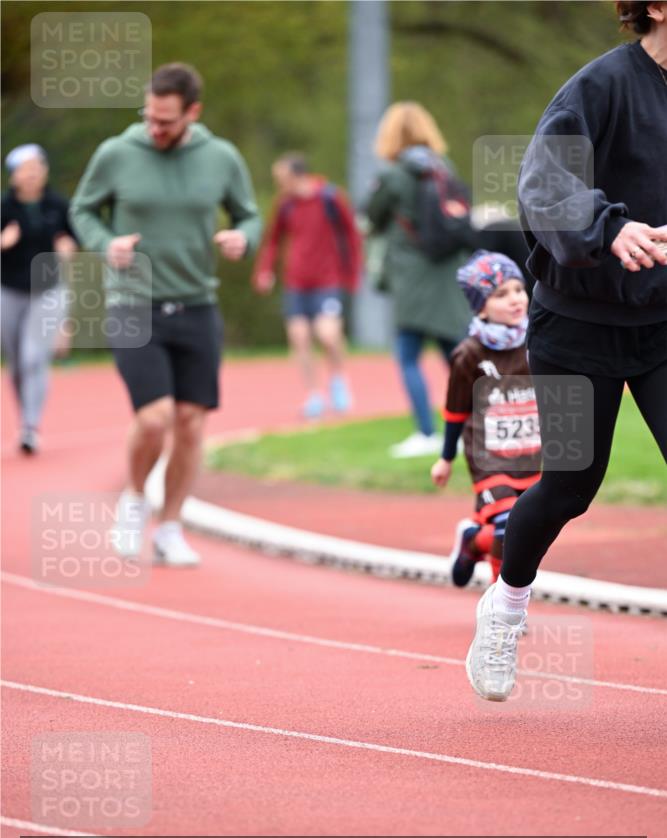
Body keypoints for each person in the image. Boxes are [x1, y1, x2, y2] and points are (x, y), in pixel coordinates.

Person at [465, 0, 667, 702]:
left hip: (662, 323)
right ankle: (506, 606)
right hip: (576, 325)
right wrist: (607, 228)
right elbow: (542, 185)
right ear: (655, 8)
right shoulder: (600, 87)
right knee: (570, 485)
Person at [70, 63, 262, 566]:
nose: (155, 128)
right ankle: (134, 500)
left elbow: (249, 213)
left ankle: (171, 525)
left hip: (198, 301)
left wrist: (245, 237)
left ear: (192, 113)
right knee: (154, 419)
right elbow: (83, 210)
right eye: (149, 117)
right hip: (133, 300)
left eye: (166, 121)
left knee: (191, 423)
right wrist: (103, 242)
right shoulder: (116, 152)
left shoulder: (221, 157)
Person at [364, 102, 474, 459]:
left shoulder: (394, 175)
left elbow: (371, 215)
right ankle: (468, 430)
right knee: (455, 356)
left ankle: (426, 432)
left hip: (412, 275)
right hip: (448, 271)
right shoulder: (444, 168)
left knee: (408, 356)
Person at [430, 250, 540, 587]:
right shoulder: (469, 354)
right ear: (481, 306)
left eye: (518, 289)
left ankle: (473, 541)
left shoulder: (538, 340)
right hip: (489, 457)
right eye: (500, 294)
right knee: (508, 527)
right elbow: (455, 411)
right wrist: (446, 458)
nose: (515, 299)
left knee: (529, 532)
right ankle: (501, 606)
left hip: (532, 453)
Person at [253, 153, 361, 419]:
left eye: (283, 179)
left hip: (327, 280)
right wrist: (265, 270)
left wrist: (353, 275)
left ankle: (338, 380)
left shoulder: (331, 198)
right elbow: (273, 239)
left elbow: (352, 236)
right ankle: (313, 393)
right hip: (296, 282)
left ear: (298, 175)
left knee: (327, 334)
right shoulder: (285, 204)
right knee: (300, 339)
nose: (280, 184)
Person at [1, 144, 77, 454]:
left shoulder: (58, 206)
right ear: (13, 175)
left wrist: (68, 248)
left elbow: (73, 242)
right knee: (17, 363)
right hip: (9, 290)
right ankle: (24, 416)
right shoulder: (4, 209)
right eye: (25, 169)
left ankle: (31, 427)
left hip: (48, 290)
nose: (32, 175)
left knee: (35, 358)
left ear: (45, 171)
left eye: (37, 167)